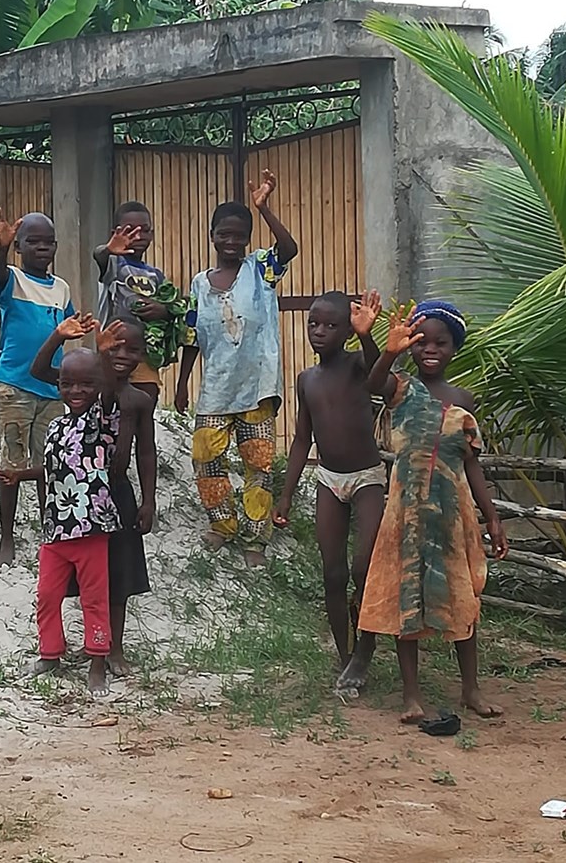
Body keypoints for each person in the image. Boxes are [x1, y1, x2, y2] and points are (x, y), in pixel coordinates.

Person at [360, 300, 508, 723]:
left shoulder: (463, 400)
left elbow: (471, 463)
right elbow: (372, 382)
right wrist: (381, 345)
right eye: (421, 342)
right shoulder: (400, 388)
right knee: (407, 599)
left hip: (452, 515)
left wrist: (492, 517)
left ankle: (471, 689)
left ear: (454, 348)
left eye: (440, 343)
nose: (430, 349)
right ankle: (411, 695)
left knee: (462, 597)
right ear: (410, 345)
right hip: (405, 515)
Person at [174, 170, 298, 567]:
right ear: (211, 236)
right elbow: (191, 335)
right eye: (223, 234)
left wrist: (264, 208)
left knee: (258, 464)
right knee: (206, 457)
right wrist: (181, 384)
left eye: (239, 235)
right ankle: (222, 524)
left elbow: (289, 248)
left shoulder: (260, 269)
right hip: (216, 388)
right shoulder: (199, 283)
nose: (231, 241)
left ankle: (255, 539)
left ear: (247, 238)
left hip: (257, 388)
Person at [0, 317, 125, 695]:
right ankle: (50, 653)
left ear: (98, 386)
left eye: (86, 384)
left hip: (90, 529)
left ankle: (97, 662)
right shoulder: (57, 426)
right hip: (56, 529)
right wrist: (20, 476)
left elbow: (111, 391)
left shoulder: (102, 421)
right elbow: (55, 467)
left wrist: (103, 355)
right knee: (48, 596)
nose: (75, 390)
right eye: (67, 384)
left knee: (94, 599)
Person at [272, 289, 385, 694]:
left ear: (347, 331)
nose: (319, 331)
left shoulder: (357, 365)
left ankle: (366, 648)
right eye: (313, 324)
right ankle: (345, 656)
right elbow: (302, 439)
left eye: (330, 325)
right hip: (328, 480)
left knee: (363, 568)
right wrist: (286, 494)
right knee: (332, 573)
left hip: (368, 477)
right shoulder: (307, 380)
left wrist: (368, 336)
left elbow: (380, 376)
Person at [34, 316, 157, 678]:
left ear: (142, 355)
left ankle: (112, 648)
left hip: (115, 494)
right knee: (86, 581)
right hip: (77, 497)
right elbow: (39, 370)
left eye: (130, 349)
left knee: (119, 574)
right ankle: (86, 646)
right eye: (114, 348)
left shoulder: (136, 399)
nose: (120, 355)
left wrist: (148, 500)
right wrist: (58, 335)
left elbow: (146, 452)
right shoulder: (87, 389)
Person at [0, 208, 76, 567]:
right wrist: (1, 248)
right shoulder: (12, 278)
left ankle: (49, 534)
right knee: (12, 461)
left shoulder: (62, 289)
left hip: (51, 390)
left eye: (48, 242)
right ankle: (6, 538)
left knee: (48, 465)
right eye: (33, 241)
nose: (42, 248)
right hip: (14, 386)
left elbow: (67, 327)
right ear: (19, 247)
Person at [94, 202, 190, 401]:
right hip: (113, 350)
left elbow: (171, 310)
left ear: (152, 234)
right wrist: (109, 249)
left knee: (146, 400)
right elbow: (99, 255)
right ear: (115, 233)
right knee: (110, 405)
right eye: (130, 231)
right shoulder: (112, 263)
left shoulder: (156, 275)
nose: (138, 237)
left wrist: (164, 310)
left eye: (145, 231)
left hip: (143, 353)